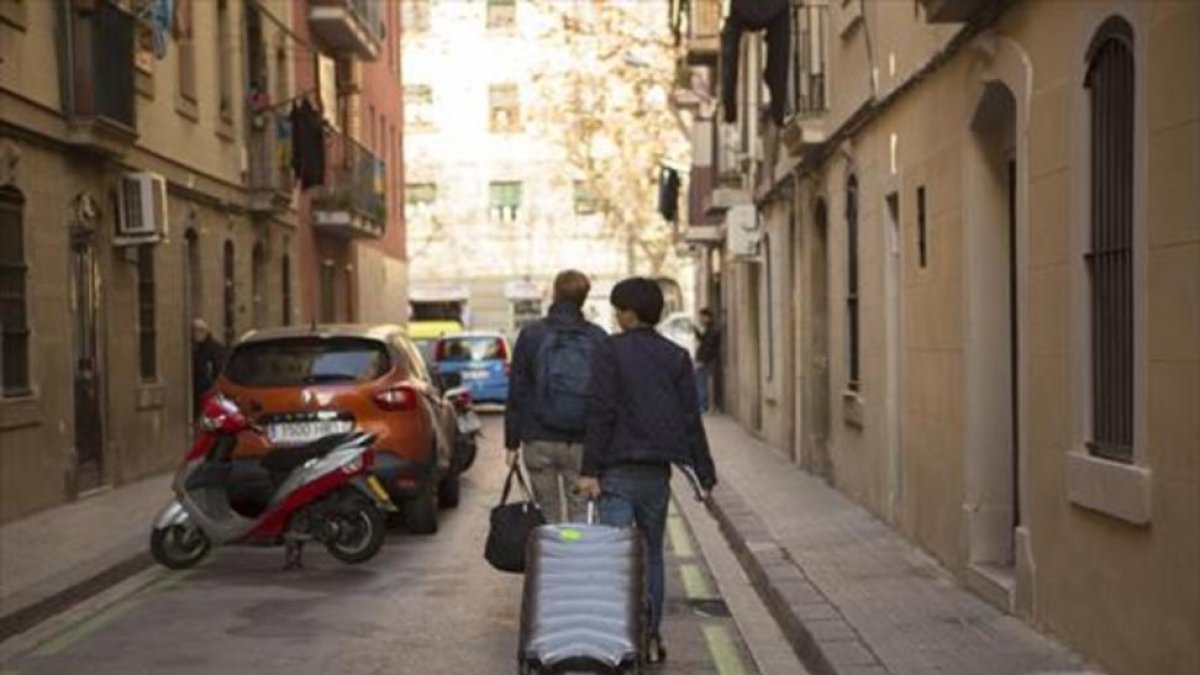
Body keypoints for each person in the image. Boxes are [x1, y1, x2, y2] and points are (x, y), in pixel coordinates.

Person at [575, 277, 718, 663]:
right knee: (652, 553)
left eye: (618, 310)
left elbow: (601, 411)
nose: (616, 316)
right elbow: (691, 418)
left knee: (618, 557)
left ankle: (622, 639)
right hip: (656, 474)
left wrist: (589, 470)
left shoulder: (608, 351)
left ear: (629, 313)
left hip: (616, 472)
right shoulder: (675, 356)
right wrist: (704, 475)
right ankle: (651, 635)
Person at [504, 270, 607, 523]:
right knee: (580, 512)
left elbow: (517, 389)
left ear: (554, 294)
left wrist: (511, 442)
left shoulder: (532, 335)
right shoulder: (597, 337)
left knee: (546, 513)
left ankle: (551, 560)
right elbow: (606, 398)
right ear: (584, 299)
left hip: (538, 438)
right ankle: (575, 559)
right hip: (582, 442)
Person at [192, 319, 226, 417]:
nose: (194, 335)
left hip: (208, 390)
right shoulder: (196, 348)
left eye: (196, 331)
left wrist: (213, 386)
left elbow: (218, 369)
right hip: (198, 390)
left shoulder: (214, 348)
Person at [694, 308, 721, 413]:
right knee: (702, 382)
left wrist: (702, 361)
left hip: (708, 361)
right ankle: (705, 405)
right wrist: (696, 333)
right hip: (705, 360)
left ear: (707, 317)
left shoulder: (713, 330)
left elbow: (709, 347)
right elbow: (704, 342)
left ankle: (707, 406)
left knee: (705, 383)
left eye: (702, 317)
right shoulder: (709, 329)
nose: (700, 319)